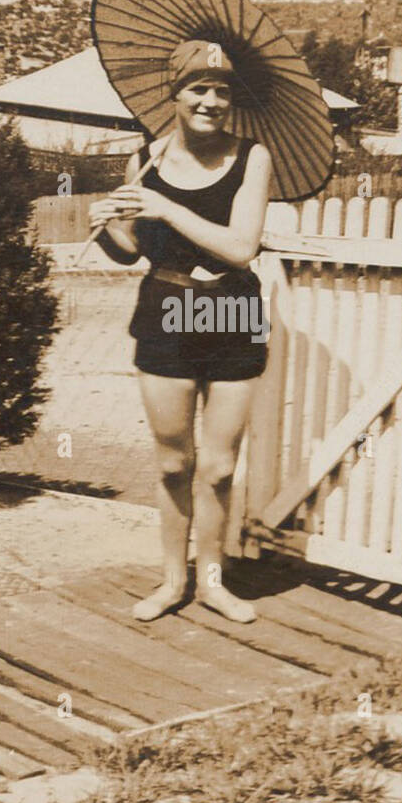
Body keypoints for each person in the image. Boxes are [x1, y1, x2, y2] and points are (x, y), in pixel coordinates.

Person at [88, 39, 273, 623]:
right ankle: (173, 582)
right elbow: (135, 252)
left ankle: (213, 582)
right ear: (176, 94)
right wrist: (105, 226)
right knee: (173, 464)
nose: (212, 101)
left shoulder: (252, 157)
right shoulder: (145, 158)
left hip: (232, 310)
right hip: (168, 307)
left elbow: (241, 249)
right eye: (199, 88)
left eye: (223, 91)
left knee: (218, 468)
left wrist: (166, 209)